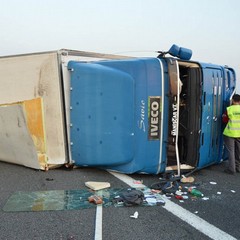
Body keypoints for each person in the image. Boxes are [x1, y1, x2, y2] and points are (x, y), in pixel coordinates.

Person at [223, 94, 240, 174]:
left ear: (233, 100)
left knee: (231, 151)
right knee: (238, 151)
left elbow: (225, 120)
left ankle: (231, 169)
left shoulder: (229, 109)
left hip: (230, 133)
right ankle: (238, 167)